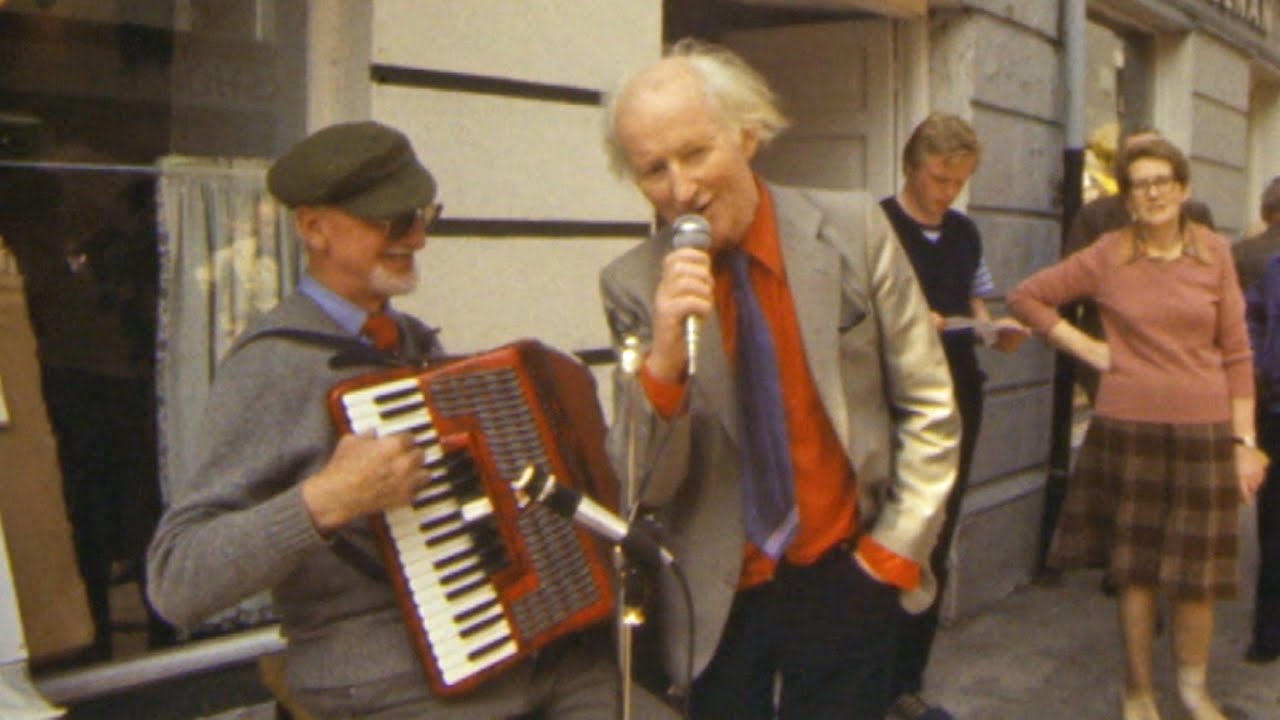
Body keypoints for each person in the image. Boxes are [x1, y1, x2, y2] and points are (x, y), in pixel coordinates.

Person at [146, 121, 649, 719]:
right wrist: (326, 501)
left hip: (521, 659)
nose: (417, 238)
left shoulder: (409, 343)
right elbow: (176, 581)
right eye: (391, 221)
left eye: (420, 215)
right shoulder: (270, 368)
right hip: (380, 681)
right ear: (314, 228)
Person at [598, 39, 960, 720]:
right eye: (653, 169)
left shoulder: (855, 230)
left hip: (847, 565)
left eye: (696, 152)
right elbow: (644, 483)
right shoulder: (631, 286)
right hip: (719, 594)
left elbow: (930, 406)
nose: (680, 189)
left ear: (747, 134)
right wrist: (666, 358)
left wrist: (892, 554)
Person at [1008, 137, 1267, 720]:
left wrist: (1245, 443)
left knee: (1197, 577)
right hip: (1129, 429)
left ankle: (1195, 691)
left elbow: (1237, 351)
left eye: (1162, 182)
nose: (1151, 193)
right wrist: (1086, 347)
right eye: (1139, 184)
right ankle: (1138, 693)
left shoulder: (1215, 253)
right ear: (1127, 196)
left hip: (1205, 432)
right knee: (1137, 571)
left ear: (1183, 188)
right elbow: (1027, 297)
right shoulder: (1108, 253)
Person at [878, 112, 1028, 720]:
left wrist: (996, 331)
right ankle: (866, 683)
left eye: (958, 182)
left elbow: (977, 302)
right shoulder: (879, 224)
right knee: (889, 534)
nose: (947, 193)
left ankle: (907, 683)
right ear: (914, 165)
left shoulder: (965, 232)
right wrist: (913, 323)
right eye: (939, 178)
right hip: (894, 398)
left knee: (935, 538)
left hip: (958, 393)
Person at [1234, 175, 1280, 665]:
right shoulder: (1275, 267)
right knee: (1274, 525)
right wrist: (1264, 368)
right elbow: (1252, 318)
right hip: (1275, 407)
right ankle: (1268, 634)